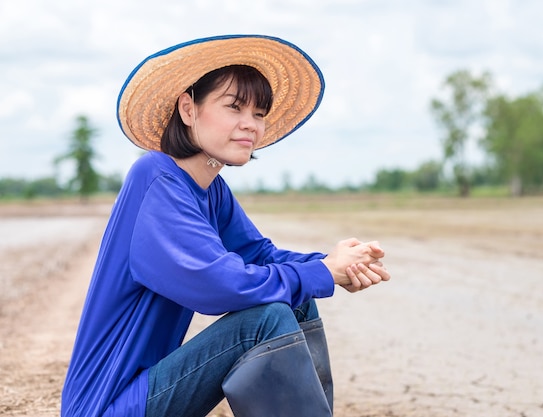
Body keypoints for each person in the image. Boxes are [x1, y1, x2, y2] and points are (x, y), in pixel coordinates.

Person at [61, 34, 390, 417]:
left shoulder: (211, 190)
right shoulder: (155, 179)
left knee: (295, 304)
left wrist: (335, 264)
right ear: (188, 108)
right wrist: (320, 272)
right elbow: (218, 285)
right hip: (108, 407)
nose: (249, 125)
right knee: (264, 320)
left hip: (149, 391)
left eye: (259, 114)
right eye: (234, 107)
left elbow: (260, 256)